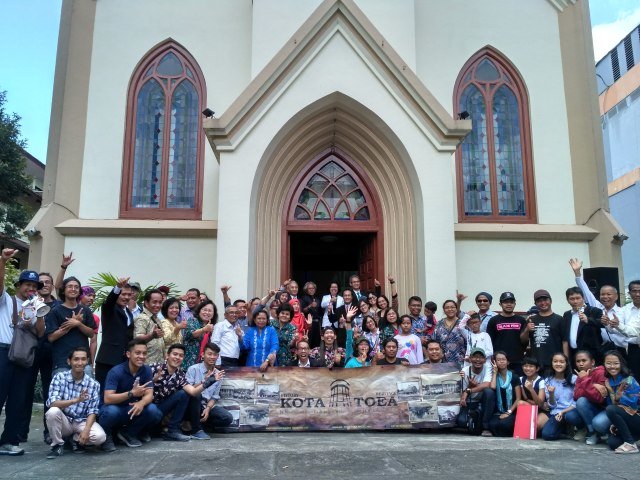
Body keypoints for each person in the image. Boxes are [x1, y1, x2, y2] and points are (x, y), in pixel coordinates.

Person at [0, 249, 47, 456]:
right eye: (27, 284)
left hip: (24, 356)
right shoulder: (7, 300)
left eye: (34, 286)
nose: (31, 288)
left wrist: (40, 311)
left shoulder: (35, 305)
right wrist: (3, 260)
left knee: (18, 400)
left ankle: (9, 441)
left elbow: (40, 333)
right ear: (19, 285)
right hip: (3, 352)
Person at [99, 340, 163, 451]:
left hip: (131, 408)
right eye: (137, 353)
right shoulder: (116, 371)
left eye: (144, 353)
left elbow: (149, 394)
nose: (141, 356)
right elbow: (108, 399)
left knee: (154, 411)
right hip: (114, 408)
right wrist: (131, 393)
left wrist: (141, 403)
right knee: (111, 412)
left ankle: (129, 433)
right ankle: (106, 436)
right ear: (128, 354)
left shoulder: (146, 370)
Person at [45, 346, 106, 458]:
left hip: (81, 421)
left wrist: (87, 430)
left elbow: (93, 410)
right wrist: (76, 400)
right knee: (52, 412)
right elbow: (52, 403)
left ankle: (75, 439)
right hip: (65, 421)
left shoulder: (93, 384)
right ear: (69, 361)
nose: (80, 363)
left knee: (100, 437)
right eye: (76, 359)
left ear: (87, 361)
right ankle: (57, 445)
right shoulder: (59, 377)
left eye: (83, 359)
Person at [570, 258, 627, 360]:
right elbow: (586, 292)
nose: (605, 297)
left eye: (609, 294)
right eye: (602, 294)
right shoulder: (597, 307)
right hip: (602, 351)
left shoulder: (623, 311)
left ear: (616, 296)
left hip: (620, 351)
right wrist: (577, 274)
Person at [184, 342, 233, 438]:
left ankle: (199, 425)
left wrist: (208, 408)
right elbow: (187, 390)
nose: (212, 357)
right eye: (209, 354)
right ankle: (196, 429)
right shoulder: (193, 369)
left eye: (215, 355)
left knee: (227, 418)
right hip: (192, 405)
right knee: (197, 395)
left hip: (205, 406)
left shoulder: (218, 374)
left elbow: (215, 396)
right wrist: (204, 381)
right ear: (203, 354)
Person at [95, 276, 134, 389]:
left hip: (124, 361)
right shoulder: (110, 308)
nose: (126, 297)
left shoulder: (128, 312)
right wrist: (117, 287)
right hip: (108, 359)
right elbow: (109, 301)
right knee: (104, 391)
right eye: (123, 294)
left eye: (129, 294)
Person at [149, 344, 191, 441]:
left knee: (183, 394)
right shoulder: (154, 368)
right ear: (167, 355)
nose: (177, 357)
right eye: (175, 354)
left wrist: (206, 383)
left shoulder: (180, 375)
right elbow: (140, 388)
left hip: (161, 408)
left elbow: (192, 391)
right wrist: (153, 381)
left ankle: (172, 431)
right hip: (146, 406)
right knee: (152, 410)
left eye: (181, 356)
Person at [602, 350, 640, 453]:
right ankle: (631, 440)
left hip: (636, 416)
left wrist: (618, 397)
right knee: (613, 443)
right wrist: (610, 390)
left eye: (616, 363)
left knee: (610, 409)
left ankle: (630, 444)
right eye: (608, 363)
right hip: (629, 419)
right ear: (604, 364)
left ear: (621, 364)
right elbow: (615, 408)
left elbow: (632, 406)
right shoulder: (609, 381)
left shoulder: (628, 380)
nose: (612, 366)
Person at [541, 353, 583, 440]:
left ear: (566, 363)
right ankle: (566, 431)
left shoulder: (574, 379)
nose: (558, 364)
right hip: (556, 413)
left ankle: (580, 428)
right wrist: (551, 393)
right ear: (552, 363)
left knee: (570, 416)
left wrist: (563, 412)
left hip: (571, 411)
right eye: (555, 361)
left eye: (561, 362)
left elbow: (577, 402)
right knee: (547, 435)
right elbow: (552, 406)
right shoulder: (548, 380)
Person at [524, 290, 568, 374]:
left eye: (545, 300)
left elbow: (565, 341)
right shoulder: (531, 319)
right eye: (539, 301)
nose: (543, 303)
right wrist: (526, 329)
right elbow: (523, 340)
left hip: (554, 364)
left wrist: (566, 360)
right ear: (535, 303)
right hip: (535, 365)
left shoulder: (559, 319)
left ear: (550, 301)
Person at [486, 292, 528, 376]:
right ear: (500, 304)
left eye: (511, 302)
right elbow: (489, 341)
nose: (509, 304)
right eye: (505, 302)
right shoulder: (493, 320)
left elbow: (525, 341)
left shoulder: (521, 320)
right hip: (499, 361)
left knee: (517, 387)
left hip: (518, 361)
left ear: (515, 304)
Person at [572, 350, 609, 445]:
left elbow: (599, 398)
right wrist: (593, 385)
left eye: (584, 360)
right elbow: (576, 395)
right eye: (578, 361)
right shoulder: (581, 374)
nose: (580, 364)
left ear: (592, 362)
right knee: (571, 415)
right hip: (590, 407)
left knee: (598, 423)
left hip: (604, 409)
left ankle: (600, 432)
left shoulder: (601, 373)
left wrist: (585, 381)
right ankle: (592, 432)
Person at [607, 280, 640, 380]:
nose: (637, 294)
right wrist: (609, 325)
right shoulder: (624, 310)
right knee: (635, 377)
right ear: (629, 293)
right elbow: (615, 330)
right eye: (634, 291)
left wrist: (619, 326)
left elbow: (635, 331)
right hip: (634, 349)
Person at [458, 347, 494, 436]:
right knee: (462, 422)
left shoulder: (488, 368)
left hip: (482, 401)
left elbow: (487, 385)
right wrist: (469, 387)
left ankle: (486, 427)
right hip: (470, 402)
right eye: (475, 357)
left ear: (485, 360)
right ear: (470, 359)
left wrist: (469, 390)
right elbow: (462, 394)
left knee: (489, 392)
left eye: (481, 357)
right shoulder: (465, 371)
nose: (478, 360)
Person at [563, 287, 603, 363]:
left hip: (591, 355)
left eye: (578, 298)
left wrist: (588, 320)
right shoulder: (567, 314)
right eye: (572, 299)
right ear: (568, 300)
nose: (575, 301)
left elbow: (603, 323)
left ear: (583, 298)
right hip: (573, 355)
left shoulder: (594, 311)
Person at [488, 351, 521, 437]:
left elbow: (518, 398)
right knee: (492, 425)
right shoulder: (494, 376)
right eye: (498, 360)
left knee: (504, 425)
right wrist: (495, 372)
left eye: (503, 359)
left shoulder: (514, 377)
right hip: (499, 411)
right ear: (494, 362)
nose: (501, 361)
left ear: (508, 362)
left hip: (512, 411)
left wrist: (509, 412)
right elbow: (493, 387)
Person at [133, 289, 166, 365]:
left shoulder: (157, 318)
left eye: (160, 302)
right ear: (146, 303)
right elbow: (137, 340)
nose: (158, 305)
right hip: (146, 365)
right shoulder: (142, 318)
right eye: (154, 302)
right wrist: (152, 335)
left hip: (158, 364)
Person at [182, 300, 217, 369]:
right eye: (204, 310)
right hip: (189, 362)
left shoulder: (212, 326)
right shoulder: (192, 320)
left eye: (210, 311)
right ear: (199, 311)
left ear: (213, 314)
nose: (207, 312)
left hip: (203, 364)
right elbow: (191, 334)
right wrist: (204, 329)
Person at [518, 356, 549, 434]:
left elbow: (540, 403)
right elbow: (525, 398)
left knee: (536, 425)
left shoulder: (541, 381)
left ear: (537, 368)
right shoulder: (521, 379)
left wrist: (531, 389)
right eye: (525, 366)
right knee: (520, 403)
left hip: (543, 411)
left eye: (531, 366)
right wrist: (531, 401)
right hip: (530, 407)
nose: (527, 368)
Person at [431, 300, 467, 364]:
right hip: (442, 361)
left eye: (452, 307)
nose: (450, 309)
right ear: (444, 310)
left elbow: (469, 341)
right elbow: (434, 341)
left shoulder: (463, 323)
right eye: (447, 308)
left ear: (456, 309)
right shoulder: (439, 324)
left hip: (460, 360)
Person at [300, 282, 323, 348]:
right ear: (306, 290)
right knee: (309, 341)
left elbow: (321, 312)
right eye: (310, 288)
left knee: (317, 343)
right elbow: (302, 310)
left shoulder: (318, 299)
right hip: (308, 324)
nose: (312, 290)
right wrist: (310, 306)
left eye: (313, 288)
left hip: (317, 323)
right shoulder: (303, 298)